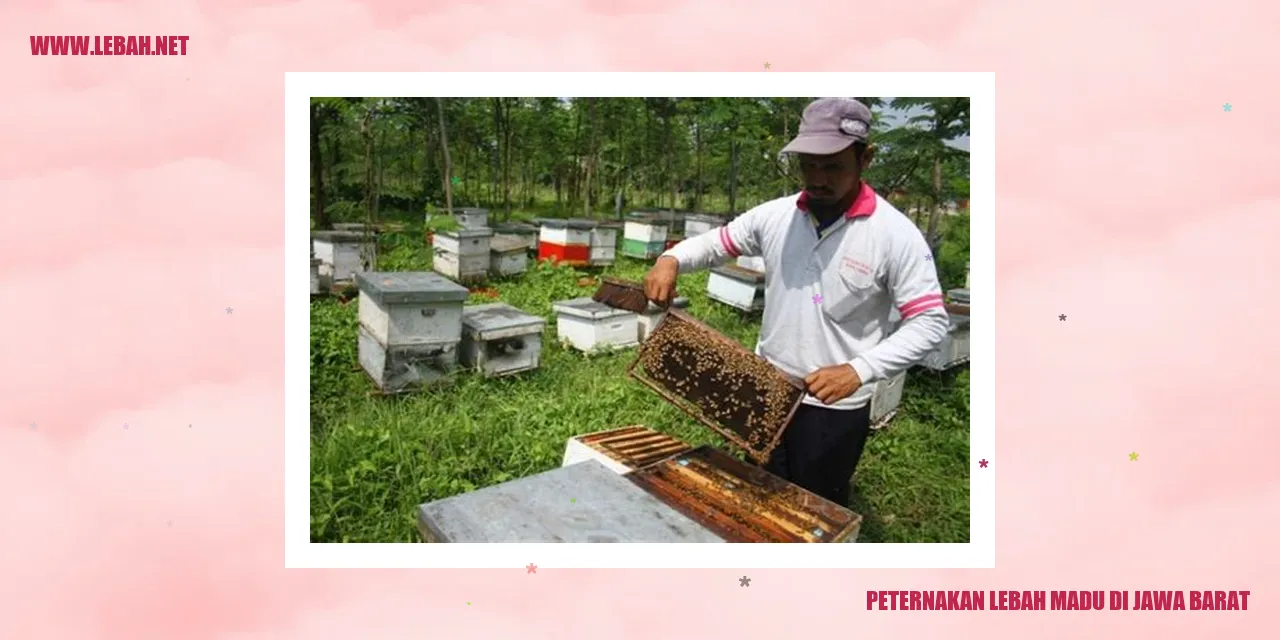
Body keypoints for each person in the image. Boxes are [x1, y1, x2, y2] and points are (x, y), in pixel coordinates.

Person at [642, 97, 950, 507]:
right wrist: (672, 258)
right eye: (809, 165)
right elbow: (719, 243)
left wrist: (859, 370)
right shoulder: (777, 216)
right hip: (764, 386)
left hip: (832, 406)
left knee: (813, 507)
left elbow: (930, 321)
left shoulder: (895, 234)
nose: (818, 178)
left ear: (866, 158)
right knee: (757, 492)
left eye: (833, 166)